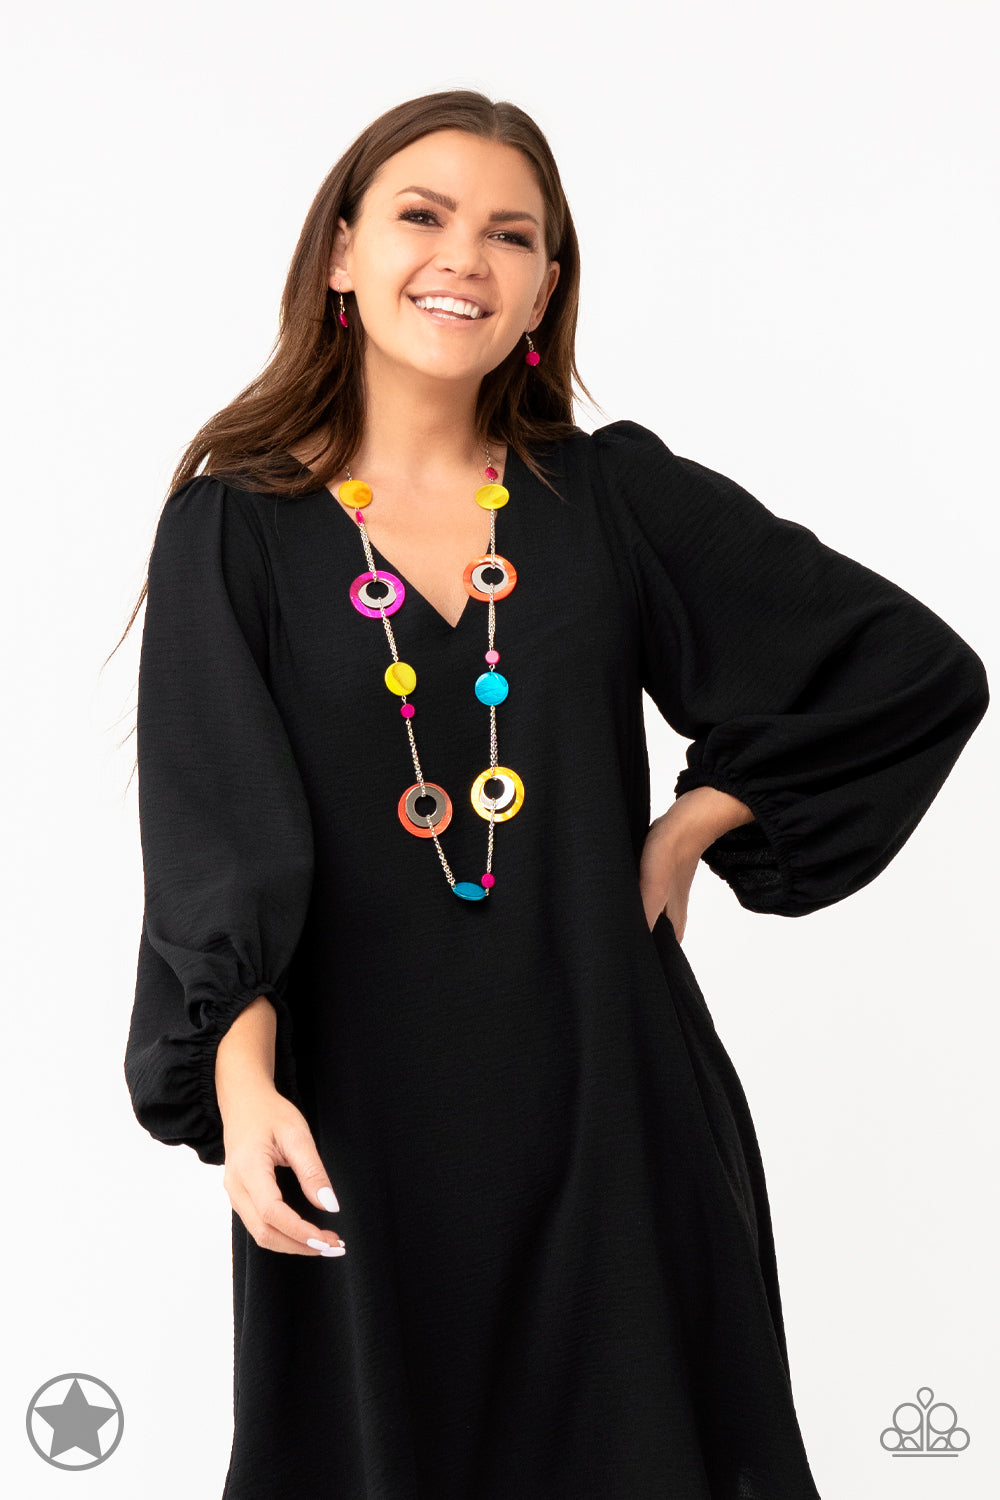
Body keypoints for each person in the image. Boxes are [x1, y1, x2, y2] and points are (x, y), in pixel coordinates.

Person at [118, 89, 989, 1498]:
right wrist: (240, 1080)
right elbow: (218, 838)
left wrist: (695, 822)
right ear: (341, 251)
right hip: (362, 1123)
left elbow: (907, 669)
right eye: (422, 215)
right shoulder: (237, 527)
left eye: (511, 234)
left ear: (543, 287)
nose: (464, 255)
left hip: (616, 1109)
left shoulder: (611, 499)